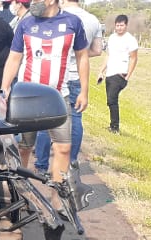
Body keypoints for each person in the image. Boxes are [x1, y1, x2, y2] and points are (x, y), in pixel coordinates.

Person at [0, 0, 89, 185]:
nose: (32, 2)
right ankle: (20, 186)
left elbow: (82, 57)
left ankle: (58, 193)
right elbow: (14, 58)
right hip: (27, 96)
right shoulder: (26, 23)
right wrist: (5, 88)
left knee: (63, 147)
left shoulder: (73, 23)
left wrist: (84, 91)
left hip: (59, 95)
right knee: (24, 146)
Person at [33, 0, 102, 178]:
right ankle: (71, 161)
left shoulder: (54, 17)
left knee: (46, 120)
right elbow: (97, 50)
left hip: (56, 75)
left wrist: (65, 52)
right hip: (77, 74)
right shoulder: (92, 20)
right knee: (76, 117)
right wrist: (79, 53)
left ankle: (41, 164)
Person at [99, 14, 138, 134]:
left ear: (126, 25)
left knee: (112, 99)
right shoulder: (112, 38)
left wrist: (128, 76)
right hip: (110, 72)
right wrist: (101, 71)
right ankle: (113, 125)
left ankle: (115, 127)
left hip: (120, 74)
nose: (119, 28)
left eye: (121, 25)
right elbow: (108, 55)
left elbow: (133, 58)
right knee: (110, 101)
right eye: (117, 25)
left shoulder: (130, 40)